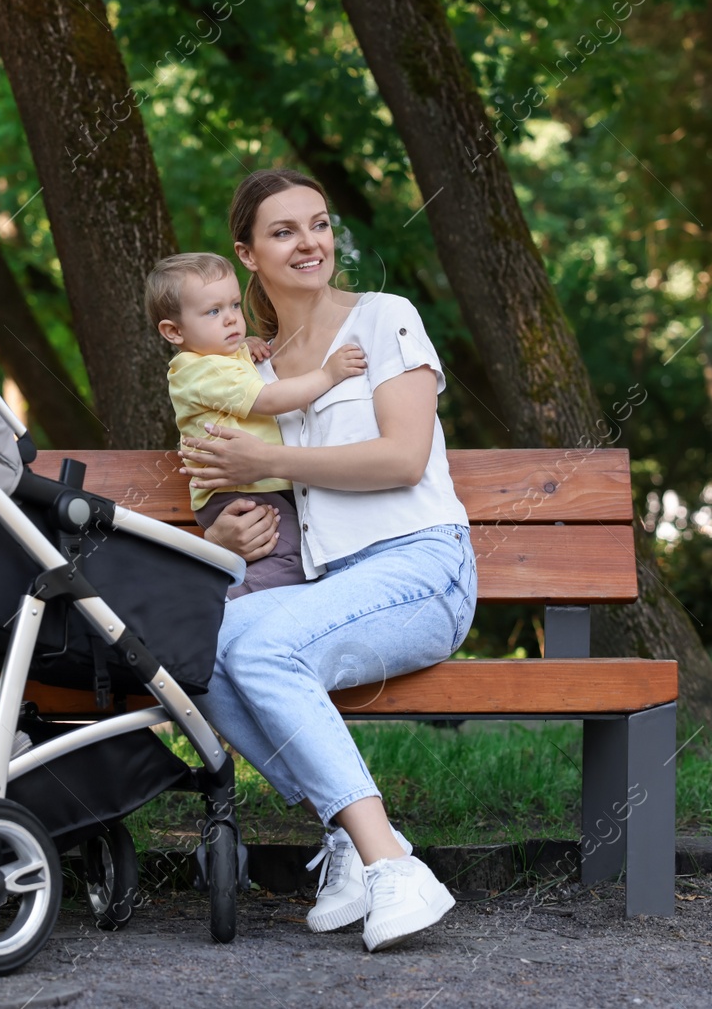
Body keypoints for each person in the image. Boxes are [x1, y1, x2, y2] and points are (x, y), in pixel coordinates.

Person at [179, 170, 477, 952]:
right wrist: (221, 535)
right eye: (284, 231)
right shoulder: (258, 374)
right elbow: (220, 487)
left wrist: (263, 463)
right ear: (248, 253)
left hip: (423, 568)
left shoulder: (383, 319)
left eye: (319, 223)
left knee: (267, 647)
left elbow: (405, 458)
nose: (310, 242)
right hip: (333, 587)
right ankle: (347, 838)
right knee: (193, 648)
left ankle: (390, 865)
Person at [145, 251, 367, 597]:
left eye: (234, 305)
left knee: (290, 554)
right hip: (240, 492)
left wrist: (244, 347)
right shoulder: (200, 370)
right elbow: (269, 399)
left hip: (251, 487)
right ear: (174, 331)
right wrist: (328, 374)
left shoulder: (215, 359)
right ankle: (226, 605)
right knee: (290, 560)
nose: (232, 319)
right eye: (213, 312)